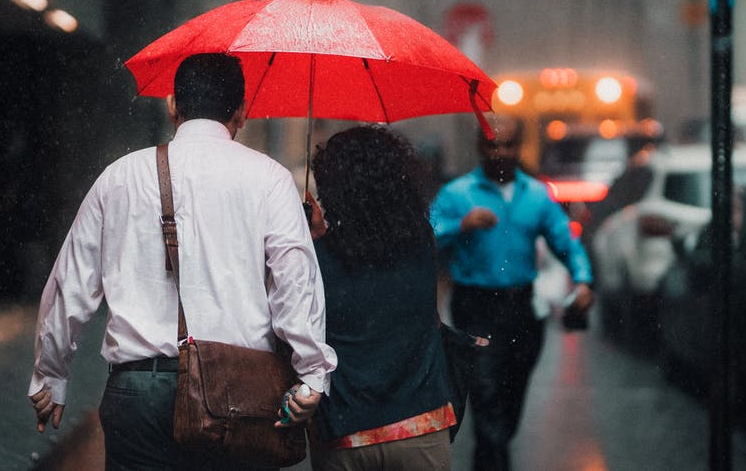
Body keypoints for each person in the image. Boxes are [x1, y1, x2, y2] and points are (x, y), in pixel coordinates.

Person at [27, 53, 337, 470]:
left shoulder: (119, 177)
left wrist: (51, 374)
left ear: (173, 104)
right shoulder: (272, 180)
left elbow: (71, 285)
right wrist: (312, 374)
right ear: (242, 113)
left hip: (138, 393)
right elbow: (294, 283)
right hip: (239, 396)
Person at [429, 116, 594, 471]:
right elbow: (424, 235)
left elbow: (565, 241)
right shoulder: (458, 194)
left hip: (521, 310)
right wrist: (461, 225)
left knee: (511, 399)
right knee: (487, 396)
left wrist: (582, 280)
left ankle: (488, 458)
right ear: (479, 147)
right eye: (492, 144)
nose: (499, 152)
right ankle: (495, 460)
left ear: (520, 147)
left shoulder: (536, 195)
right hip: (475, 307)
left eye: (507, 145)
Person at [306, 125, 456, 471]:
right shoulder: (422, 242)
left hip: (345, 433)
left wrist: (314, 239)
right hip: (421, 426)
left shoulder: (316, 257)